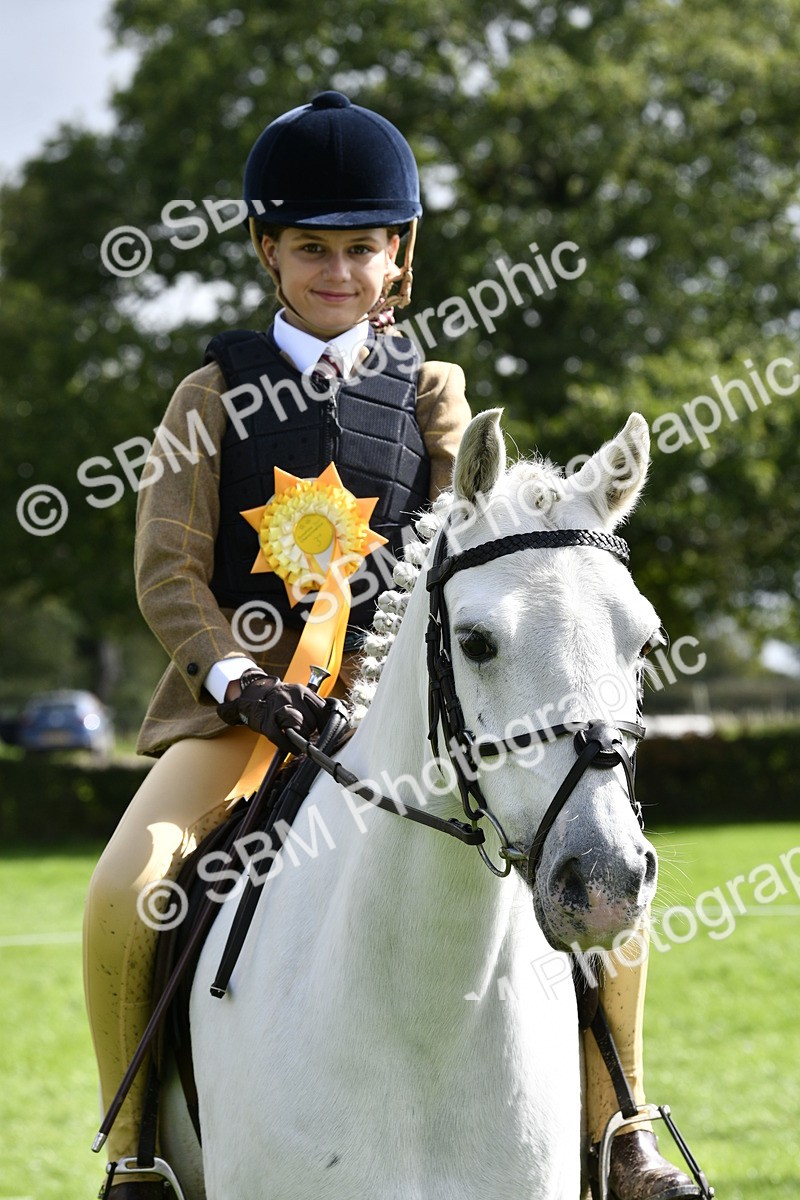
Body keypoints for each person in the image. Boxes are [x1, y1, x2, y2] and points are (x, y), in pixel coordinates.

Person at [83, 92, 699, 1200]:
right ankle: (135, 1156)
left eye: (361, 248)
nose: (337, 271)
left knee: (596, 881)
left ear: (396, 254)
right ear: (267, 250)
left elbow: (466, 535)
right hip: (241, 721)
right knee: (131, 885)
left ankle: (621, 1134)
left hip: (399, 714)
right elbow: (167, 576)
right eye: (311, 249)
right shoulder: (207, 395)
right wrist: (239, 679)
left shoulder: (428, 394)